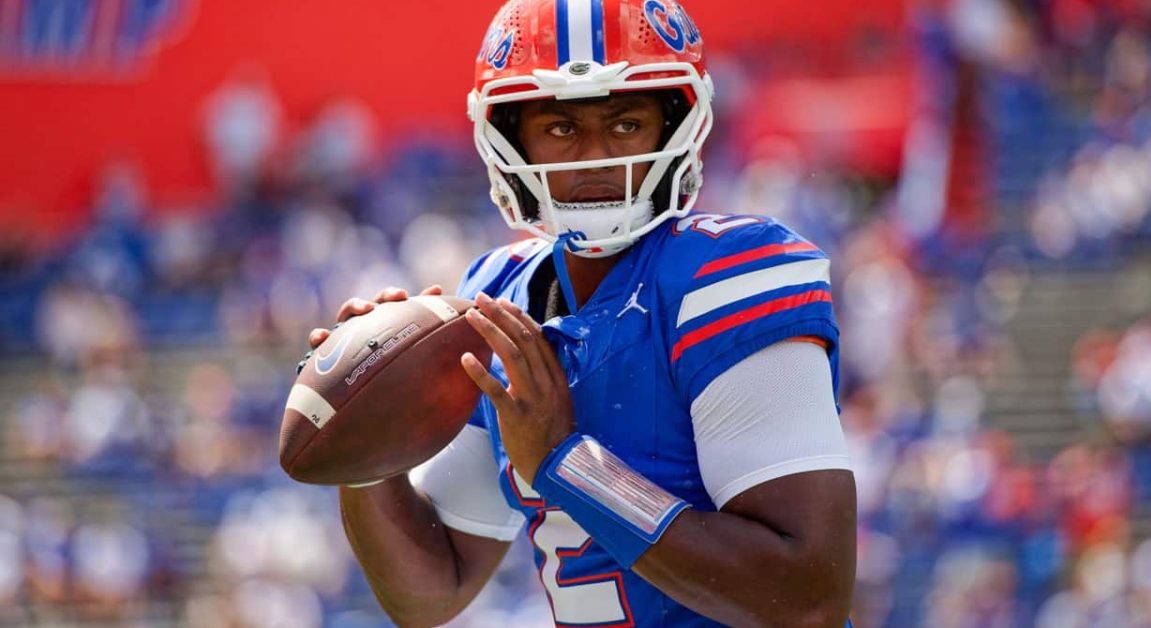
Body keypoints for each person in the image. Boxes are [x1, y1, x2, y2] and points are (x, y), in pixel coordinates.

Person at [306, 1, 856, 625]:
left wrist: (566, 464)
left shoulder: (730, 274)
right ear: (510, 138)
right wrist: (368, 449)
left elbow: (810, 599)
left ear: (676, 125)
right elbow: (432, 589)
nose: (595, 156)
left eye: (624, 124)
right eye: (562, 128)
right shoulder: (499, 296)